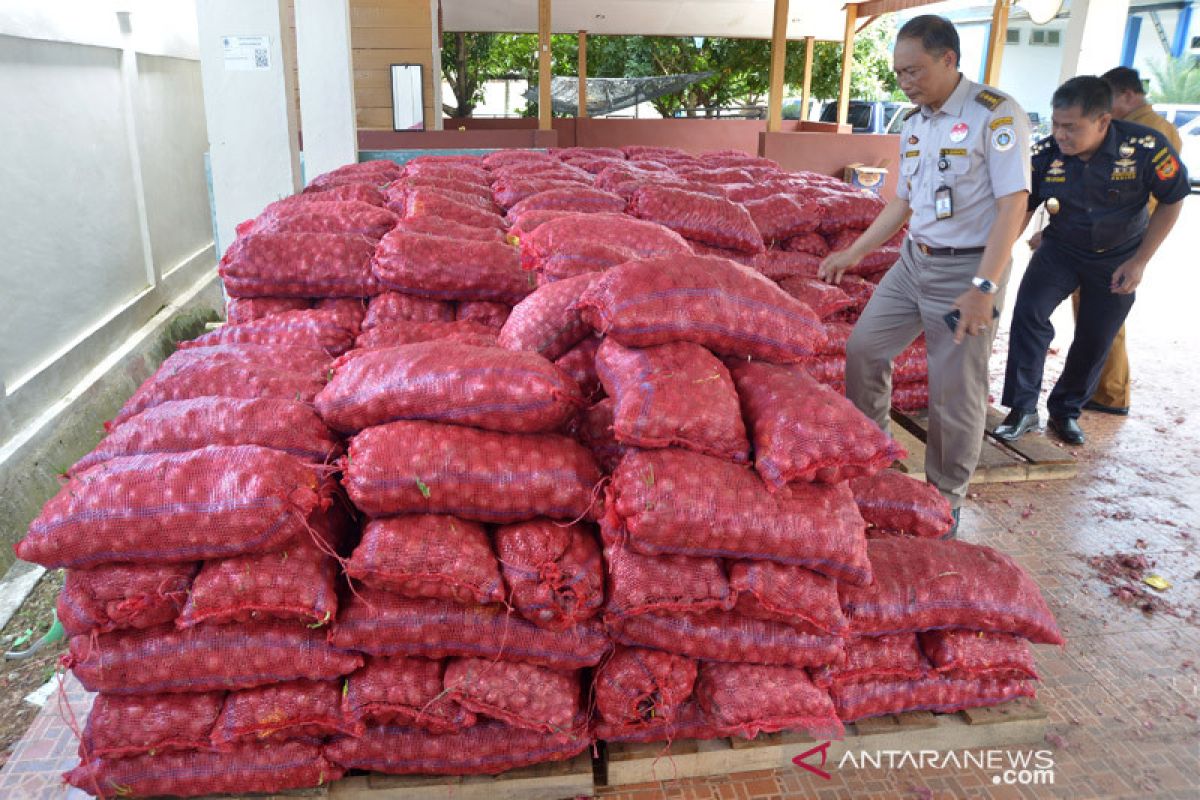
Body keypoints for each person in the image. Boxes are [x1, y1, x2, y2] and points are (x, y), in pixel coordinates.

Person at [819, 14, 1032, 538]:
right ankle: (876, 462)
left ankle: (945, 503)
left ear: (949, 60)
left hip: (969, 268)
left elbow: (1013, 206)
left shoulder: (995, 115)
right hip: (914, 261)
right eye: (898, 73)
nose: (905, 82)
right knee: (865, 349)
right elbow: (904, 202)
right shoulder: (914, 124)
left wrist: (984, 286)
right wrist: (856, 250)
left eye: (914, 70)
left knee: (954, 393)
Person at [993, 76, 1188, 445]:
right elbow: (1022, 206)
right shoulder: (1045, 154)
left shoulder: (1146, 147)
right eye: (1056, 124)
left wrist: (1141, 261)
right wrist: (997, 257)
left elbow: (1173, 199)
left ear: (1102, 121)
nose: (1061, 135)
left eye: (1071, 127)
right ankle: (1022, 409)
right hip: (1060, 250)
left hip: (1119, 257)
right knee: (1029, 314)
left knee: (1096, 337)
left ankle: (1065, 412)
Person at [1059, 67, 1185, 416]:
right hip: (1105, 235)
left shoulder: (1148, 132)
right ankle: (1100, 389)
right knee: (1094, 315)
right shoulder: (1148, 127)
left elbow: (1150, 194)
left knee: (1103, 319)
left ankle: (1110, 393)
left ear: (1127, 95)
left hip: (1119, 238)